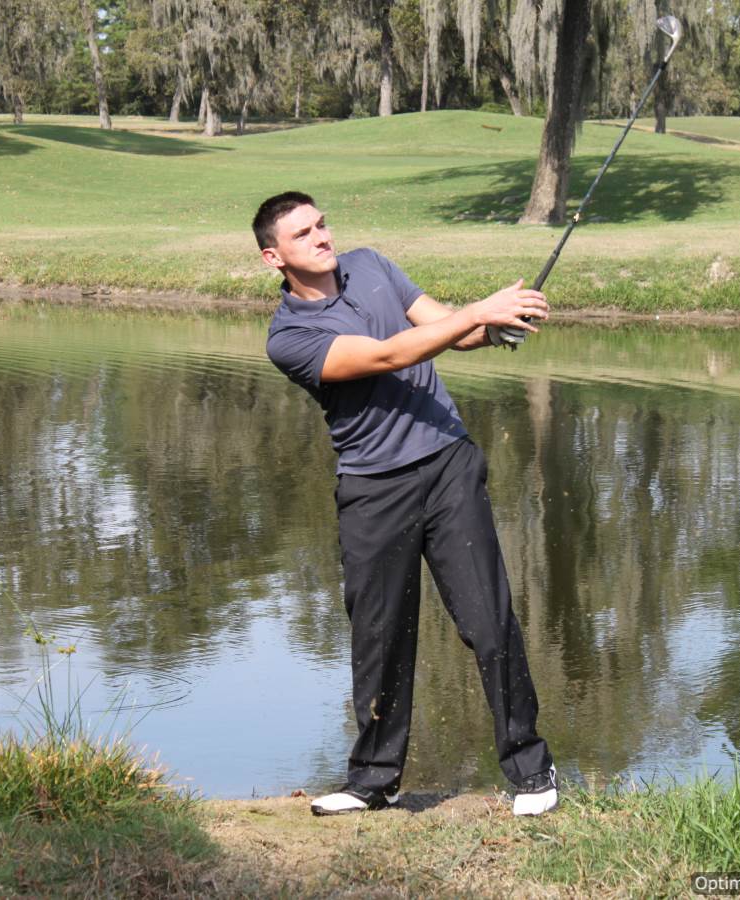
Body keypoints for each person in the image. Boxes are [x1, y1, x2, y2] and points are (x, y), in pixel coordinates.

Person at [254, 191, 559, 818]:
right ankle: (372, 780)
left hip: (447, 464)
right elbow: (392, 354)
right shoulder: (290, 337)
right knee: (380, 637)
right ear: (273, 257)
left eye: (322, 223)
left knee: (487, 620)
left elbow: (441, 326)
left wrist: (492, 324)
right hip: (373, 490)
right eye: (303, 233)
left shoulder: (371, 265)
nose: (321, 236)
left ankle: (531, 771)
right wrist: (477, 310)